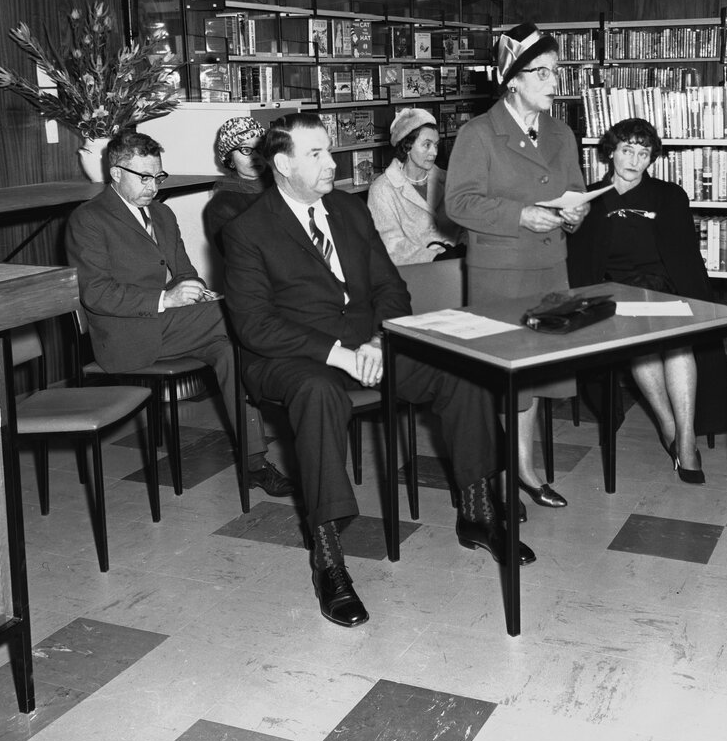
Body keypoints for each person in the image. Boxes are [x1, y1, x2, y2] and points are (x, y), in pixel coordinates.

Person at [222, 112, 533, 628]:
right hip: (292, 357)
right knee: (319, 394)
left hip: (368, 344)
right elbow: (255, 326)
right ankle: (328, 559)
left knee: (461, 367)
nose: (331, 162)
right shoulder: (247, 230)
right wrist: (339, 353)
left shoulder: (347, 207)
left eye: (329, 150)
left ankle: (477, 513)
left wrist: (377, 342)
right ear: (281, 165)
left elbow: (392, 287)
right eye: (316, 154)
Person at [66, 130, 291, 496]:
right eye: (143, 177)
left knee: (231, 348)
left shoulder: (162, 214)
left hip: (171, 327)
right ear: (115, 172)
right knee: (239, 314)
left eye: (158, 177)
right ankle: (299, 386)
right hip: (127, 336)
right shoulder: (89, 219)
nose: (152, 186)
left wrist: (196, 291)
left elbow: (185, 271)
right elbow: (95, 294)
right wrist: (165, 299)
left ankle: (254, 463)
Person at [445, 22, 586, 510]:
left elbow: (575, 191)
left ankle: (525, 471)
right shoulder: (478, 134)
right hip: (501, 273)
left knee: (535, 378)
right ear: (513, 79)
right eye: (543, 73)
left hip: (549, 269)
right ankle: (498, 479)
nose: (554, 83)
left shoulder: (561, 132)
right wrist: (520, 214)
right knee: (504, 379)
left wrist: (576, 212)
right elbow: (458, 203)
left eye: (556, 72)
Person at [566, 117, 727, 483]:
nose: (633, 160)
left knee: (677, 346)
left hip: (664, 288)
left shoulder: (669, 195)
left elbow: (685, 259)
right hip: (616, 294)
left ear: (651, 159)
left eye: (643, 153)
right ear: (610, 152)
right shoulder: (589, 200)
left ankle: (686, 438)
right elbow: (581, 260)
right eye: (626, 150)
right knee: (644, 348)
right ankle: (668, 426)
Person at [366, 106, 464, 265]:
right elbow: (390, 245)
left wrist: (461, 249)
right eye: (427, 145)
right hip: (413, 275)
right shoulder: (382, 189)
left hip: (455, 268)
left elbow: (466, 226)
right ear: (408, 146)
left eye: (436, 144)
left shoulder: (449, 181)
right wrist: (433, 256)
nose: (434, 152)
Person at [205, 115, 272, 253]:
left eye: (260, 149)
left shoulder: (281, 184)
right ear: (230, 160)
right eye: (245, 150)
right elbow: (235, 252)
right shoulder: (222, 203)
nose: (256, 157)